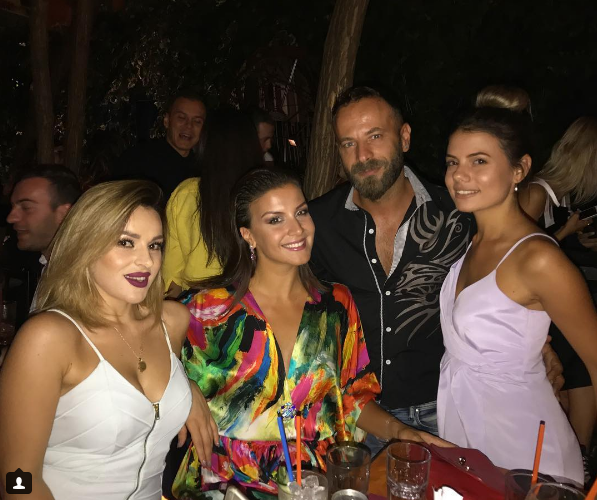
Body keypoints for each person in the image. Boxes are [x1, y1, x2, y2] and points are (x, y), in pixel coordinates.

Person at [308, 85, 564, 456]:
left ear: (404, 137)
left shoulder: (460, 214)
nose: (362, 156)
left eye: (375, 137)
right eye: (349, 143)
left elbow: (506, 287)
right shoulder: (317, 224)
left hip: (446, 410)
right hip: (357, 418)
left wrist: (540, 344)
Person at [166, 168, 446, 499]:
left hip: (313, 484)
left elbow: (353, 396)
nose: (297, 229)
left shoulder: (336, 305)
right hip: (227, 485)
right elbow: (135, 341)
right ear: (248, 235)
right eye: (275, 219)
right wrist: (182, 388)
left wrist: (398, 430)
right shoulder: (210, 310)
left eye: (301, 212)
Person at [0, 180, 218, 500]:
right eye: (126, 242)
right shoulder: (49, 337)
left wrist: (188, 386)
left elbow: (155, 395)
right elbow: (16, 477)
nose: (146, 261)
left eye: (154, 245)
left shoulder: (171, 321)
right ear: (84, 246)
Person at [437, 102, 597, 483]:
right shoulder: (473, 242)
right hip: (469, 433)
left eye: (478, 161)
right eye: (452, 162)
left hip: (527, 450)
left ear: (519, 170)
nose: (459, 175)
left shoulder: (538, 258)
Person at [518, 116, 597, 483]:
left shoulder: (566, 196)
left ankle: (577, 456)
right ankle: (574, 458)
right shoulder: (539, 191)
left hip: (562, 300)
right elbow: (516, 249)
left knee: (578, 371)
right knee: (575, 369)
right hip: (541, 307)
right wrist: (567, 231)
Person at [162, 109, 265, 297]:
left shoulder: (187, 194)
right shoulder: (266, 192)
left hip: (201, 306)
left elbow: (172, 280)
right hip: (259, 303)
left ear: (206, 145)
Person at [117, 89, 207, 199]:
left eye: (197, 121)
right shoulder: (137, 160)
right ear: (167, 121)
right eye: (181, 118)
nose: (189, 126)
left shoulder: (204, 170)